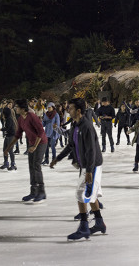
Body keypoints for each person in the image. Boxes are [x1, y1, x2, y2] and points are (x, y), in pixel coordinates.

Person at [50, 98, 106, 240]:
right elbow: (70, 145)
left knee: (81, 194)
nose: (68, 110)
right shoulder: (75, 125)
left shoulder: (86, 126)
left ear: (79, 111)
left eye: (71, 108)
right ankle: (99, 222)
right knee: (89, 195)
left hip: (91, 165)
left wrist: (88, 172)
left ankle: (84, 227)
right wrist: (58, 158)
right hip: (85, 165)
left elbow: (91, 151)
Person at [4, 99, 48, 203]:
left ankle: (41, 192)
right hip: (32, 143)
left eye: (17, 107)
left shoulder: (32, 116)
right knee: (31, 166)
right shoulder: (20, 119)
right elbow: (18, 134)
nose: (15, 108)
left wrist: (35, 146)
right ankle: (33, 192)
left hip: (41, 142)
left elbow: (41, 131)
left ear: (23, 109)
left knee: (36, 165)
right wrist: (9, 147)